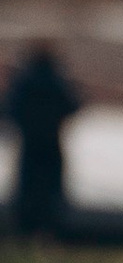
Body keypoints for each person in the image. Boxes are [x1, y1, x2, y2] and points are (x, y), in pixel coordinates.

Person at [4, 42, 82, 244]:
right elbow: (74, 106)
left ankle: (24, 230)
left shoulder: (25, 81)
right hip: (51, 143)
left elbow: (9, 108)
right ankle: (49, 232)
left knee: (27, 188)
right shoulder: (57, 81)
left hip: (29, 144)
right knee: (51, 189)